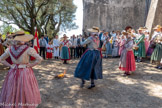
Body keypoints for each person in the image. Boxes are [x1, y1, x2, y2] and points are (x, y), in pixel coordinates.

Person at [0, 31, 42, 108]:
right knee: (25, 87)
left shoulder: (9, 49)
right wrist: (31, 65)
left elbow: (1, 59)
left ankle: (13, 103)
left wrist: (10, 65)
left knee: (12, 87)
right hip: (25, 71)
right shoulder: (29, 49)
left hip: (13, 71)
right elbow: (39, 59)